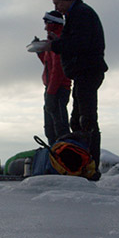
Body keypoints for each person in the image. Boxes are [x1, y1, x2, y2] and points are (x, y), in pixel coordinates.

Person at [49, 0, 108, 179]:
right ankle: (81, 162)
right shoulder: (76, 14)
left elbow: (79, 43)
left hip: (88, 71)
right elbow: (73, 41)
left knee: (87, 119)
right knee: (77, 119)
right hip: (83, 73)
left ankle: (91, 167)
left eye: (58, 3)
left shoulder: (81, 13)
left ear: (67, 0)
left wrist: (55, 46)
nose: (57, 8)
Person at [35, 10, 71, 144]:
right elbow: (49, 63)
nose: (45, 27)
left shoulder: (59, 41)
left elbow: (58, 70)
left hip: (58, 89)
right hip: (52, 88)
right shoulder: (52, 41)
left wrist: (51, 93)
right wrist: (40, 52)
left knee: (59, 128)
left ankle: (63, 157)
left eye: (46, 23)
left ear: (52, 24)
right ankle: (55, 156)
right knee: (50, 128)